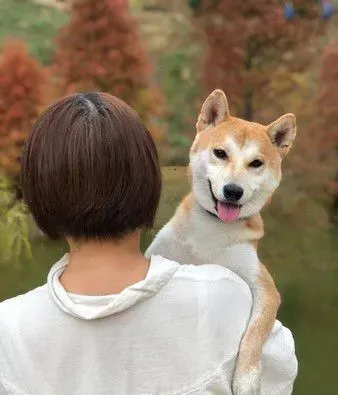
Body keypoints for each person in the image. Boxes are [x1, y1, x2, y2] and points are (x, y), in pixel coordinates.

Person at [0, 93, 297, 395]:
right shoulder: (229, 299)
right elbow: (278, 375)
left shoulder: (8, 329)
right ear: (151, 185)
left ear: (37, 198)